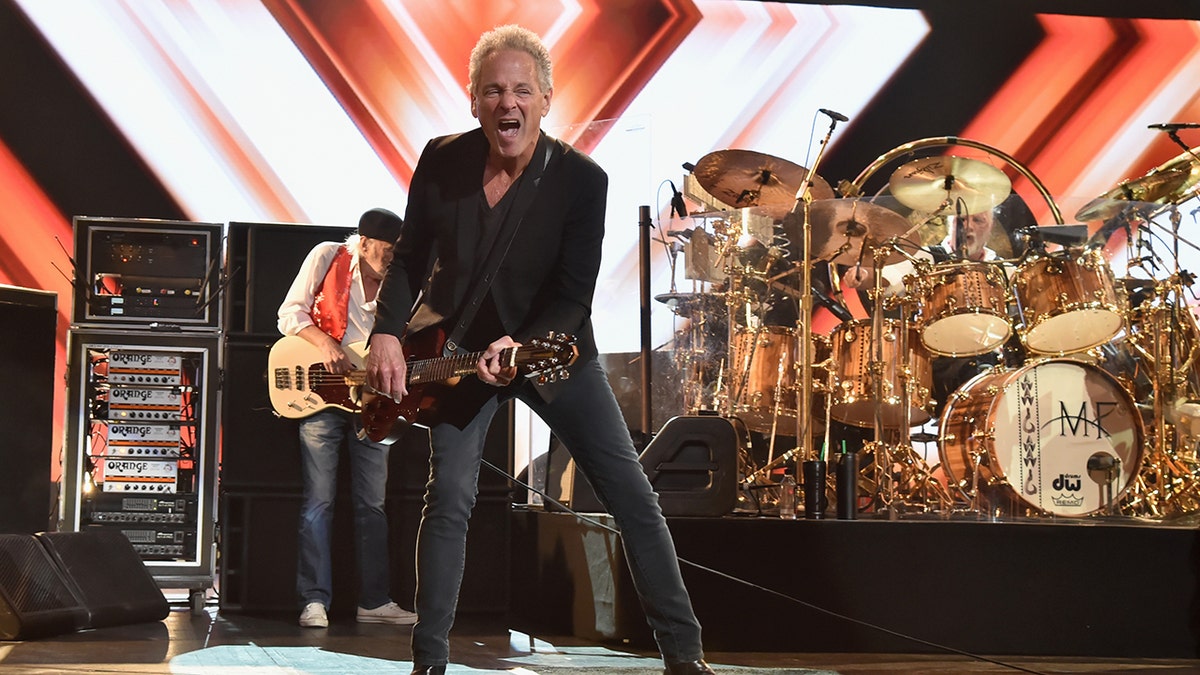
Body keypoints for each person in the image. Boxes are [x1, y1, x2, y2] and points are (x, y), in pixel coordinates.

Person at [365, 25, 716, 675]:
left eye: (522, 90)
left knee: (632, 496)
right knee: (449, 499)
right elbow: (412, 257)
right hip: (462, 355)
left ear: (546, 99)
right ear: (473, 101)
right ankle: (429, 658)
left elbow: (574, 293)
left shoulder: (581, 180)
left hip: (555, 353)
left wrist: (521, 343)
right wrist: (385, 329)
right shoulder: (442, 159)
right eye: (493, 90)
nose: (508, 103)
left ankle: (684, 655)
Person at [277, 208, 417, 629]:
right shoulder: (328, 256)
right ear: (366, 241)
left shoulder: (403, 276)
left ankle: (373, 601)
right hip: (322, 396)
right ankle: (313, 601)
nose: (392, 258)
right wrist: (324, 343)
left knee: (372, 504)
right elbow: (289, 314)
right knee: (319, 500)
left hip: (374, 402)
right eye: (388, 250)